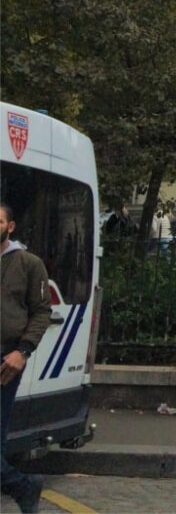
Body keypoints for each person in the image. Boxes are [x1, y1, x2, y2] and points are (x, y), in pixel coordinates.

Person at [1, 203, 50, 513]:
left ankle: (25, 488)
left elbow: (42, 311)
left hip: (5, 362)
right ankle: (24, 486)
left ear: (11, 226)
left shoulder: (28, 263)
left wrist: (24, 351)